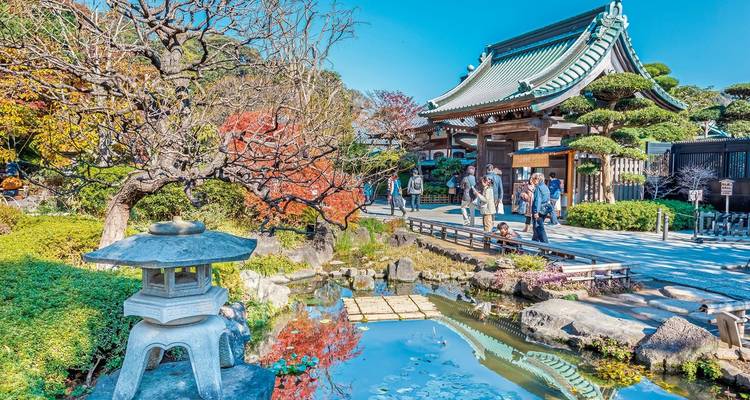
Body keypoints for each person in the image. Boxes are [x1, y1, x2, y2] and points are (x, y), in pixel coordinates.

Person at [531, 172, 551, 243]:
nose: (532, 180)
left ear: (537, 179)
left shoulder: (538, 188)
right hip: (545, 209)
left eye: (533, 179)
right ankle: (534, 240)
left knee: (539, 227)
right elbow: (548, 199)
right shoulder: (545, 187)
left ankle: (545, 243)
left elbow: (538, 200)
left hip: (539, 210)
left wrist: (536, 211)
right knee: (538, 225)